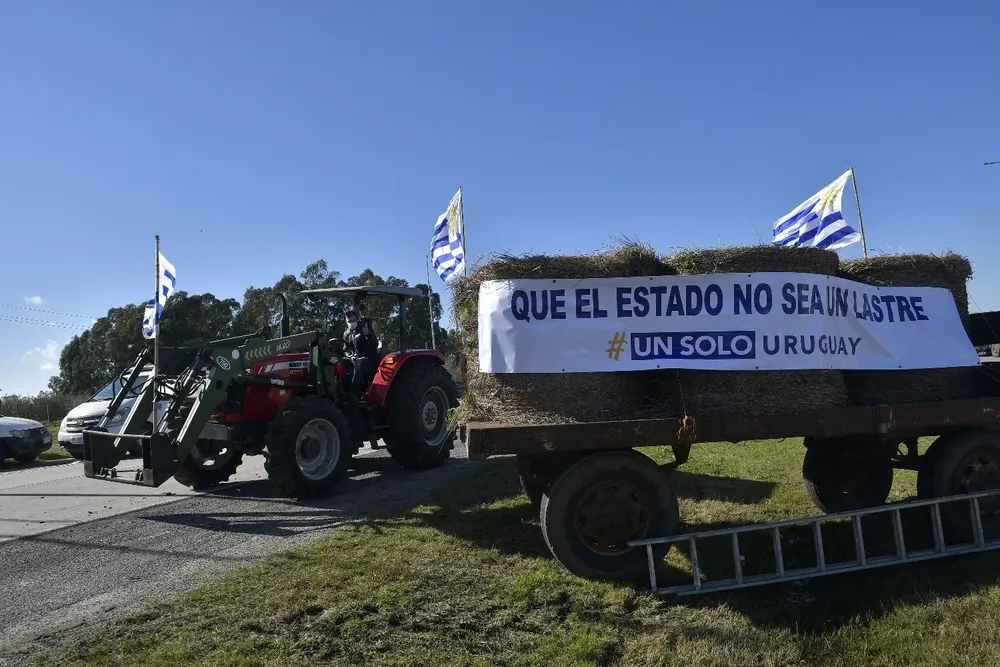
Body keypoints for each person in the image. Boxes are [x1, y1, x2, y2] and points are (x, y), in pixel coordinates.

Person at [343, 310, 380, 395]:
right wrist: (350, 356)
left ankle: (354, 393)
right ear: (346, 321)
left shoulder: (364, 328)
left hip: (369, 357)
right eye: (349, 321)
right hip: (354, 357)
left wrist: (368, 335)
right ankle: (342, 389)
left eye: (353, 321)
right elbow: (346, 349)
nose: (351, 323)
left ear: (356, 319)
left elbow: (375, 344)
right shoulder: (346, 333)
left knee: (359, 362)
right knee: (338, 361)